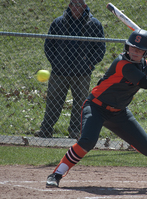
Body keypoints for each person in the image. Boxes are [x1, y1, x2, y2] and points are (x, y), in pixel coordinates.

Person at [44, 29, 147, 188]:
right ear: (127, 47)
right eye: (133, 47)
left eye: (140, 49)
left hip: (119, 112)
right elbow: (145, 82)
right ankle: (56, 174)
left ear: (146, 52)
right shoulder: (122, 63)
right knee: (87, 141)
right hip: (96, 106)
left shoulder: (145, 66)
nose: (135, 51)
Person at [35, 0, 106, 139]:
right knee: (53, 101)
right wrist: (55, 63)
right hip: (59, 71)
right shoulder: (58, 22)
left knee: (80, 103)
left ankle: (75, 131)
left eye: (78, 4)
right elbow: (49, 45)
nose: (75, 7)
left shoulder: (94, 24)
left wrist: (89, 65)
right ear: (69, 6)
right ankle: (46, 129)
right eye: (72, 4)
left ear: (84, 7)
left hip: (82, 73)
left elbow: (100, 48)